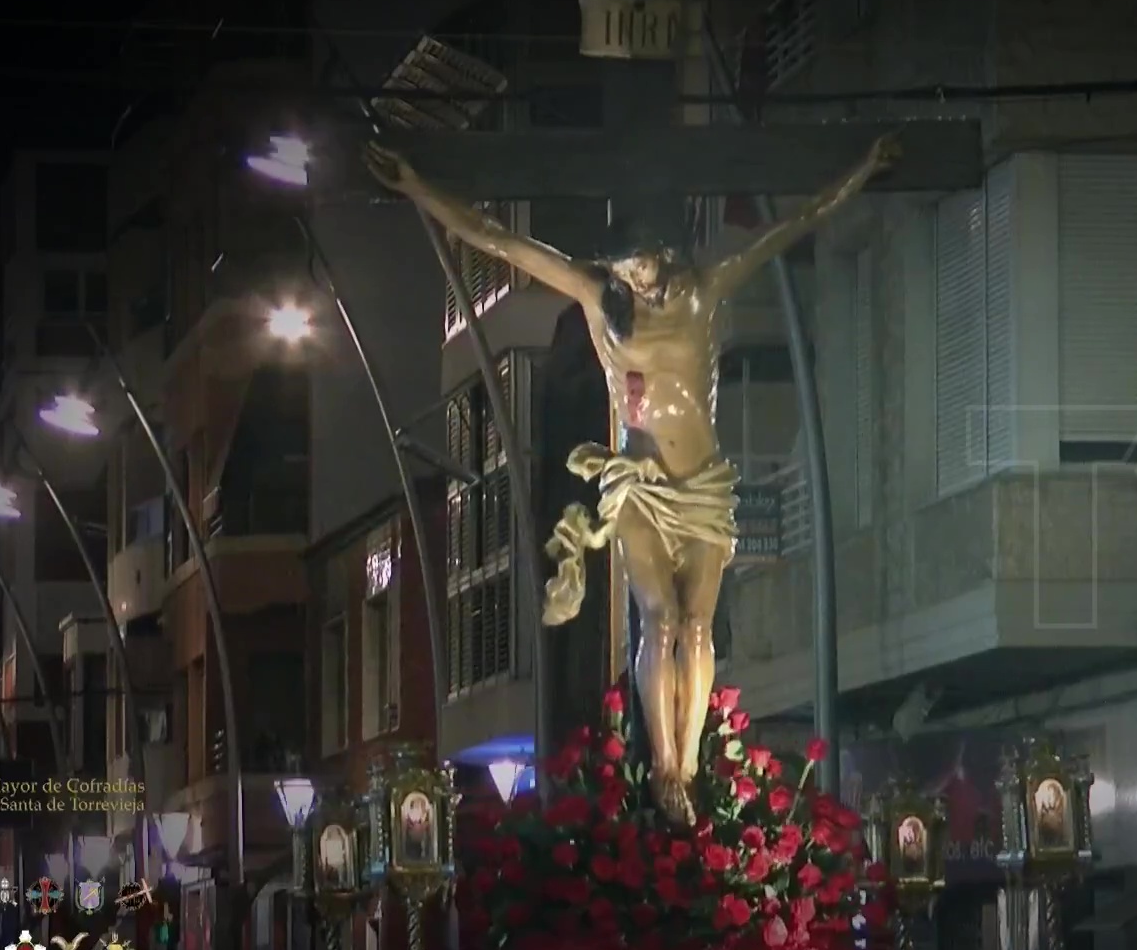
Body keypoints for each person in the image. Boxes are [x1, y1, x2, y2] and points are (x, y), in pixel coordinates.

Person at [367, 133, 901, 825]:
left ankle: (689, 752)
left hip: (703, 485)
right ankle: (669, 776)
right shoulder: (599, 296)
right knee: (661, 619)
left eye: (641, 266)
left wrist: (861, 169)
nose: (634, 281)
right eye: (622, 269)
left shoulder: (705, 288)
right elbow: (499, 241)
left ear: (666, 253)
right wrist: (416, 186)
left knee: (699, 629)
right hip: (640, 486)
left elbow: (791, 225)